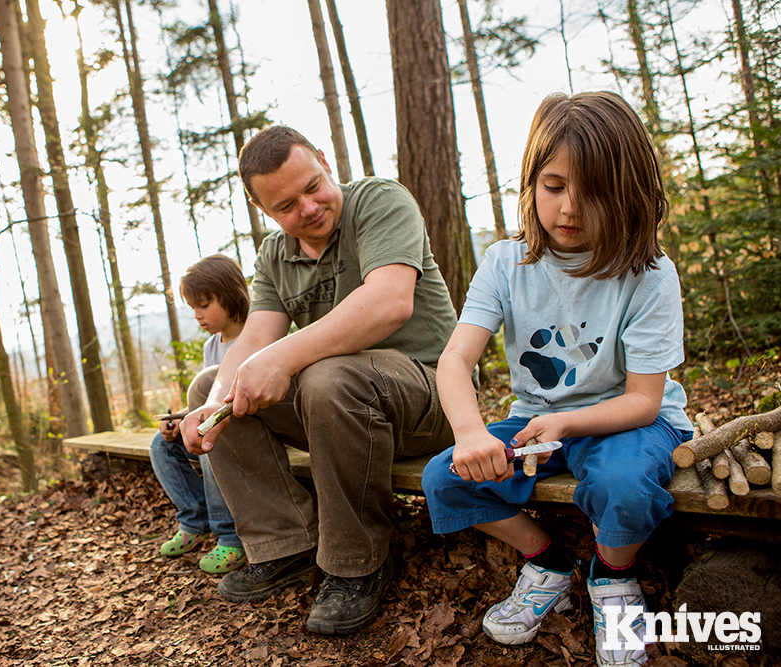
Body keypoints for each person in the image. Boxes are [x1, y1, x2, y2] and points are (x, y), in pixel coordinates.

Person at [421, 91, 694, 667]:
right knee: (445, 477)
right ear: (532, 182)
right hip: (537, 422)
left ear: (629, 192)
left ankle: (612, 574)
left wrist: (568, 421)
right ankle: (547, 562)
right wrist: (471, 434)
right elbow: (454, 361)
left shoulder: (648, 273)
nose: (569, 209)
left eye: (593, 192)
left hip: (629, 422)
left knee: (622, 484)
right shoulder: (504, 262)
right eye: (554, 186)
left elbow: (644, 401)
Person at [179, 125, 458, 635]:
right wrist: (216, 402)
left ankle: (359, 562)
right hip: (345, 409)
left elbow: (390, 302)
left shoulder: (379, 201)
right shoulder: (274, 256)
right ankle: (288, 544)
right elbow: (251, 343)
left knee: (327, 377)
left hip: (435, 396)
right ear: (264, 211)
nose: (306, 208)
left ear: (326, 162)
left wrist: (281, 359)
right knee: (210, 385)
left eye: (312, 187)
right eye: (285, 205)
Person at [150, 254, 249, 575]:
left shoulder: (256, 335)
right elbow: (207, 399)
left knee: (209, 436)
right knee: (161, 444)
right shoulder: (211, 347)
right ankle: (194, 520)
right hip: (214, 422)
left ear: (231, 295)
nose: (197, 315)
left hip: (247, 430)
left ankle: (230, 536)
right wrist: (179, 419)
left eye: (204, 305)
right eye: (193, 307)